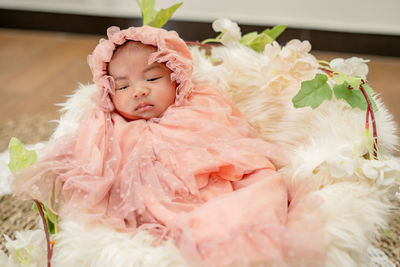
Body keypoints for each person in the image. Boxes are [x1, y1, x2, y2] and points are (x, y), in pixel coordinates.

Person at [13, 25, 326, 266]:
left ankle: (242, 236)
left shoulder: (199, 104)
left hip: (216, 182)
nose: (138, 91)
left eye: (151, 79)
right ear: (109, 92)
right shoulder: (109, 124)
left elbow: (235, 143)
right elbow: (91, 168)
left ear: (176, 77)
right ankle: (205, 238)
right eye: (123, 85)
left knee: (264, 183)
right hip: (160, 196)